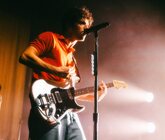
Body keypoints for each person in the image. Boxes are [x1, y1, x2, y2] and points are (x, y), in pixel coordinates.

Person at [19, 7, 107, 140]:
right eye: (83, 23)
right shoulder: (50, 38)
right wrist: (56, 70)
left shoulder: (72, 58)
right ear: (69, 25)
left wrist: (93, 97)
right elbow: (25, 56)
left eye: (89, 24)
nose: (87, 27)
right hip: (47, 109)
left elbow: (67, 95)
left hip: (68, 114)